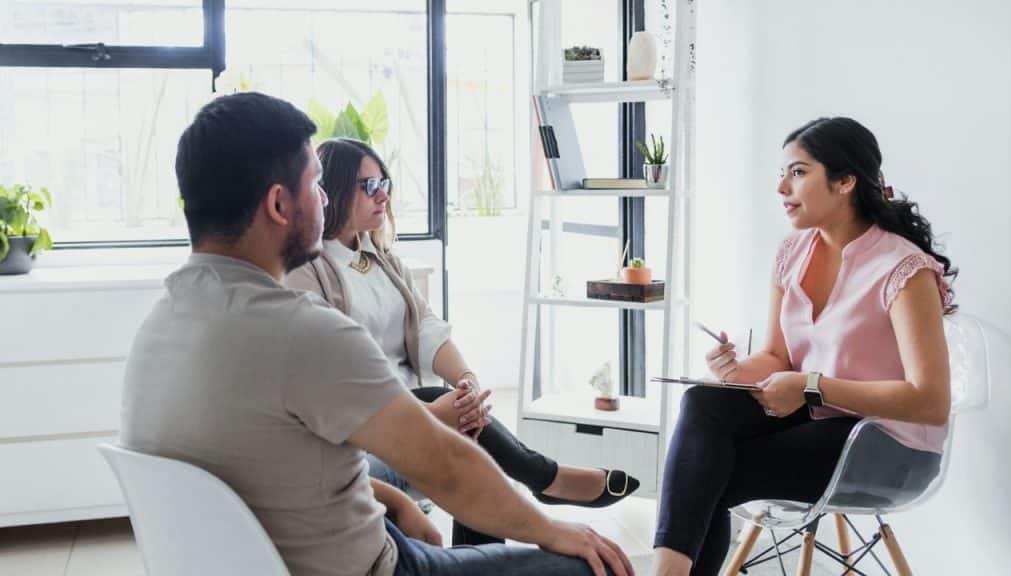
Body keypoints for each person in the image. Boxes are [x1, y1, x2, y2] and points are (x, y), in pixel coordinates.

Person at [120, 91, 633, 576]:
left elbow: (278, 468)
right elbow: (447, 467)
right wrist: (552, 531)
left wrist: (395, 500)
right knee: (589, 562)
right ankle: (554, 493)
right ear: (280, 206)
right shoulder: (302, 330)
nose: (324, 199)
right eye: (317, 184)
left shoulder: (158, 326)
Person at [284, 138, 640, 545]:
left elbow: (428, 330)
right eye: (368, 186)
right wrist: (430, 415)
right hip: (368, 425)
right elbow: (333, 383)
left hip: (410, 407)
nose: (382, 194)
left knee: (467, 420)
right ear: (333, 191)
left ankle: (518, 508)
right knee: (461, 424)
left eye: (384, 182)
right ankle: (544, 477)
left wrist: (467, 381)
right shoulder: (308, 271)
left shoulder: (384, 260)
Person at [652, 117, 957, 576]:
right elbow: (779, 358)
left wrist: (812, 386)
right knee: (704, 402)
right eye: (783, 173)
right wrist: (735, 369)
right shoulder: (791, 253)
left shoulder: (904, 269)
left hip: (885, 442)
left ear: (845, 182)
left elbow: (930, 401)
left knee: (708, 474)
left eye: (797, 172)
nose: (781, 187)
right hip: (815, 418)